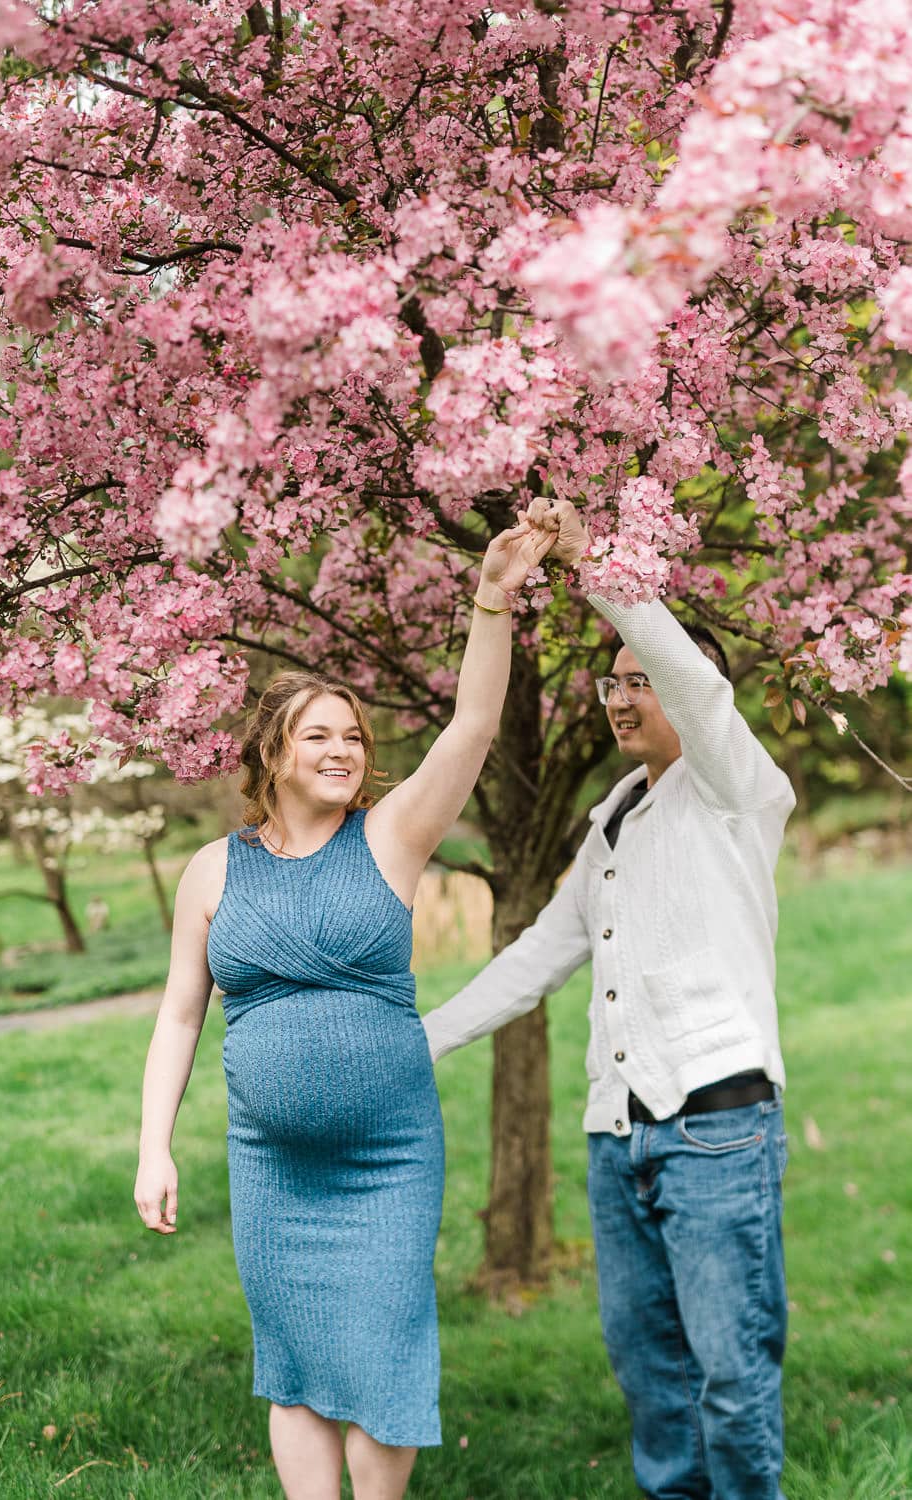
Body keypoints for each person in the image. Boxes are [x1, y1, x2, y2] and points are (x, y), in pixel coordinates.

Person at [133, 519, 554, 1500]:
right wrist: (154, 1146)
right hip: (269, 1161)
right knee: (292, 1368)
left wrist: (490, 598)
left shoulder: (392, 837)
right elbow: (179, 1017)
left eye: (351, 735)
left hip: (384, 1157)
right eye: (316, 734)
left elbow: (472, 728)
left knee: (379, 1362)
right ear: (270, 754)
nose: (340, 750)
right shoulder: (211, 871)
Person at [423, 498, 796, 1500]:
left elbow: (682, 671)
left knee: (728, 1377)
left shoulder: (735, 788)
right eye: (610, 684)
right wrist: (421, 1041)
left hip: (715, 1128)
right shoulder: (611, 817)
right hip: (616, 1137)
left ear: (688, 687)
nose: (620, 699)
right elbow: (540, 953)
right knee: (652, 1385)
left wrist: (593, 566)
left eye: (640, 681)